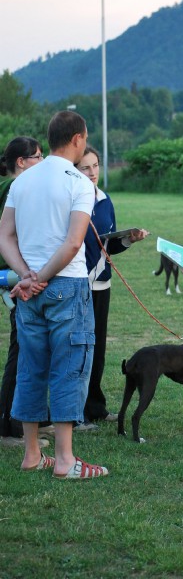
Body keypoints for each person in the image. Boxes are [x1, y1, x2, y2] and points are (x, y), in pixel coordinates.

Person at [0, 110, 108, 479]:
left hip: (29, 290)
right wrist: (41, 276)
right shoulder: (79, 183)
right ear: (78, 139)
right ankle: (65, 460)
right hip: (66, 285)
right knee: (70, 367)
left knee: (31, 367)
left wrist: (26, 277)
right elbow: (74, 241)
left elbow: (5, 236)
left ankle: (31, 454)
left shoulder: (23, 181)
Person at [74, 145, 148, 430]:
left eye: (95, 166)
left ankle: (95, 407)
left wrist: (128, 239)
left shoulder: (105, 201)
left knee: (98, 348)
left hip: (101, 284)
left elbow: (109, 245)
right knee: (79, 348)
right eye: (85, 167)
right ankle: (74, 412)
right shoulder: (70, 198)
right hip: (76, 283)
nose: (92, 172)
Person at [0, 137, 53, 448]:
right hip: (13, 281)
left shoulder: (15, 188)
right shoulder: (14, 190)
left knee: (29, 352)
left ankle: (29, 419)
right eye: (37, 156)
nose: (42, 161)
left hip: (17, 278)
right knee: (20, 352)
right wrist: (21, 275)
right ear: (20, 162)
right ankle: (7, 427)